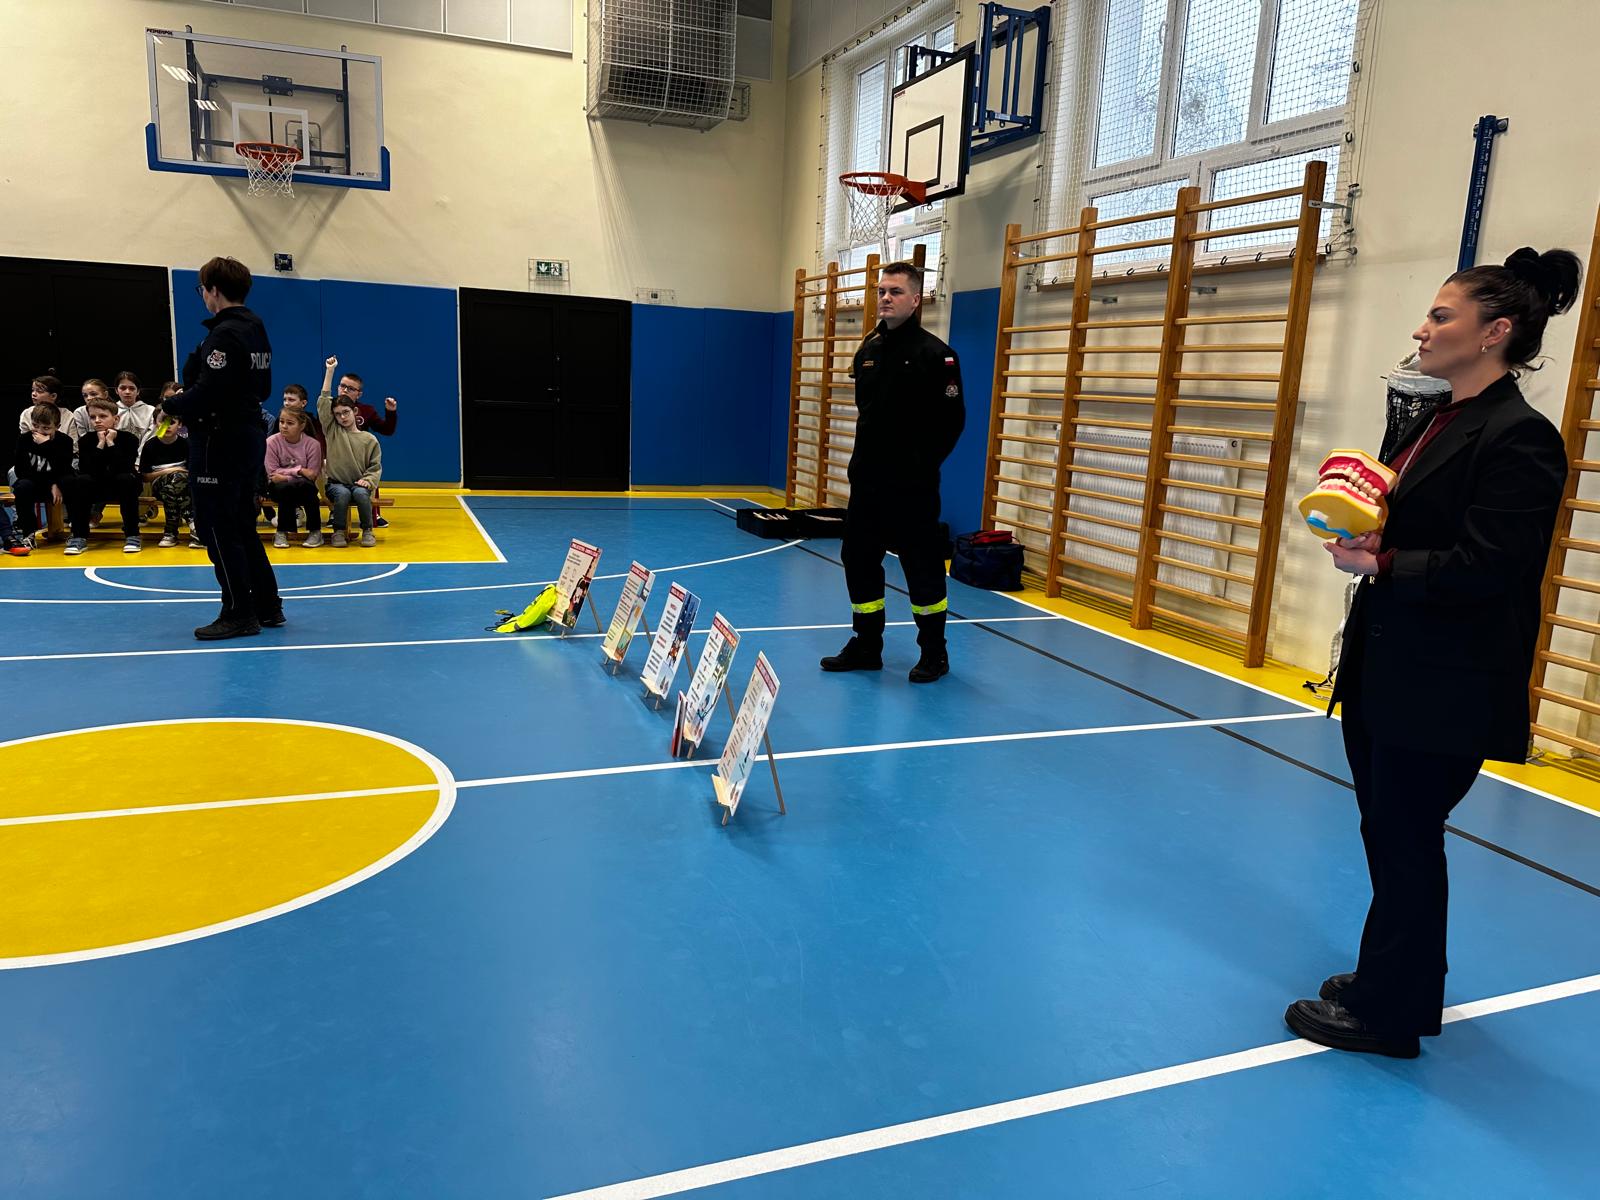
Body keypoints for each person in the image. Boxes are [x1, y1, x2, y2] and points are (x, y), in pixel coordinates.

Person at [1285, 246, 1581, 1059]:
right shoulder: (1440, 416)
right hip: (1393, 665)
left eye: (1441, 316)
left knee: (1407, 835)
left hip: (1444, 681)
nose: (1422, 329)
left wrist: (1383, 564)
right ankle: (1397, 979)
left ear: (1495, 333)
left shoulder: (1520, 437)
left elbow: (1492, 567)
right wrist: (1367, 532)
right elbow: (1424, 524)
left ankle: (1390, 1015)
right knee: (1390, 831)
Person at [820, 261, 965, 683]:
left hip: (912, 487)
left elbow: (952, 423)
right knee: (858, 560)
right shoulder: (868, 350)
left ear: (916, 299)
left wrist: (919, 467)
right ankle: (867, 645)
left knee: (922, 568)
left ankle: (934, 652)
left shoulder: (937, 355)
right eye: (882, 291)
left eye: (895, 291)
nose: (885, 297)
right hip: (868, 483)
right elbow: (868, 414)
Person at [161, 256, 283, 639]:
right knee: (242, 524)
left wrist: (172, 404)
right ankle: (267, 605)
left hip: (219, 440)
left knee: (216, 527)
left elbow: (209, 392)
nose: (203, 295)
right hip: (247, 436)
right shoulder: (255, 328)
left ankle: (238, 611)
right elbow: (262, 387)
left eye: (203, 289)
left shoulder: (224, 334)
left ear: (213, 290)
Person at [319, 361, 397, 527]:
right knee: (327, 472)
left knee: (369, 473)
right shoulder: (331, 414)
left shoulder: (367, 411)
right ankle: (335, 512)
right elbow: (324, 400)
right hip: (337, 459)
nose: (345, 390)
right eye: (342, 386)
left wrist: (390, 412)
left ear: (359, 394)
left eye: (350, 388)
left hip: (358, 461)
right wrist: (330, 371)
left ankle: (372, 516)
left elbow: (387, 429)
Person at [67, 394, 143, 554]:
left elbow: (124, 467)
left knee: (126, 479)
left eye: (102, 416)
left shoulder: (129, 439)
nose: (97, 420)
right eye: (93, 417)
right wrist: (101, 444)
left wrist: (110, 442)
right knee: (81, 481)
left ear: (116, 419)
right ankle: (79, 536)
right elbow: (89, 469)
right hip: (97, 484)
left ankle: (132, 535)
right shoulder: (86, 440)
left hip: (122, 484)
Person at [10, 404, 74, 550]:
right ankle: (28, 533)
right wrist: (51, 483)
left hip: (59, 484)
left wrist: (46, 446)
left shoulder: (65, 441)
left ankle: (77, 532)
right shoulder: (24, 440)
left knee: (70, 481)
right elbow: (21, 471)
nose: (39, 432)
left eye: (46, 428)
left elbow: (64, 468)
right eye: (35, 426)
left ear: (57, 426)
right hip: (37, 484)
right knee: (22, 486)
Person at [140, 396, 198, 548]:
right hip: (157, 486)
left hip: (181, 487)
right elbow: (145, 477)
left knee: (171, 488)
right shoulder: (150, 446)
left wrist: (177, 473)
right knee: (175, 479)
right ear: (155, 423)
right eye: (163, 421)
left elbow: (191, 473)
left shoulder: (186, 444)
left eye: (171, 422)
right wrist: (172, 470)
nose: (167, 426)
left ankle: (170, 533)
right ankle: (193, 523)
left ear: (180, 424)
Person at [265, 405, 325, 548]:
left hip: (303, 488)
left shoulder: (313, 445)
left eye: (290, 423)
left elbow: (312, 475)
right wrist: (299, 471)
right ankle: (282, 532)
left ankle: (315, 532)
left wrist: (286, 475)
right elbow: (273, 473)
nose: (284, 426)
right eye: (282, 422)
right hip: (278, 488)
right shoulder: (271, 442)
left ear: (302, 426)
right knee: (285, 488)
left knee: (308, 489)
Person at [113, 371, 157, 439]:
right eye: (123, 388)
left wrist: (143, 446)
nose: (127, 392)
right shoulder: (110, 411)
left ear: (138, 391)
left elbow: (152, 434)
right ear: (116, 390)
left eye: (132, 388)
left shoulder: (150, 410)